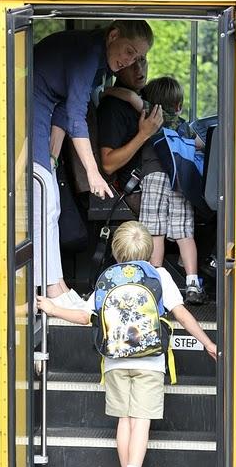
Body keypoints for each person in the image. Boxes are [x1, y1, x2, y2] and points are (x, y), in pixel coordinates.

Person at [36, 221, 217, 467]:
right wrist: (207, 342)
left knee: (125, 420)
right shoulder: (158, 276)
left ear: (116, 250)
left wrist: (53, 309)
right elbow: (181, 313)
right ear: (149, 249)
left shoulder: (107, 278)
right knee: (141, 421)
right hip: (150, 362)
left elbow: (85, 316)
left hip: (116, 361)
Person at [31, 20, 155, 307]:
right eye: (128, 51)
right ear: (112, 35)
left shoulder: (100, 64)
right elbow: (75, 115)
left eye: (136, 57)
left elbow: (65, 107)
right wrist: (93, 173)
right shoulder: (88, 53)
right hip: (31, 103)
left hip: (46, 108)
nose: (129, 60)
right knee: (45, 202)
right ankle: (51, 289)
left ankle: (58, 284)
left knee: (52, 204)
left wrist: (54, 151)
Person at [104, 76, 206, 304]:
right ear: (179, 105)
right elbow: (200, 143)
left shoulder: (151, 115)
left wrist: (106, 91)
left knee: (155, 231)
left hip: (154, 177)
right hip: (180, 179)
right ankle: (192, 283)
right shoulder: (184, 125)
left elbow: (129, 96)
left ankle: (155, 280)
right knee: (184, 232)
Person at [97, 58, 163, 212]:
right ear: (117, 68)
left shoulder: (143, 97)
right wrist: (143, 135)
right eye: (131, 64)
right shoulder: (113, 107)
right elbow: (108, 164)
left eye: (142, 60)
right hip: (135, 189)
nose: (139, 69)